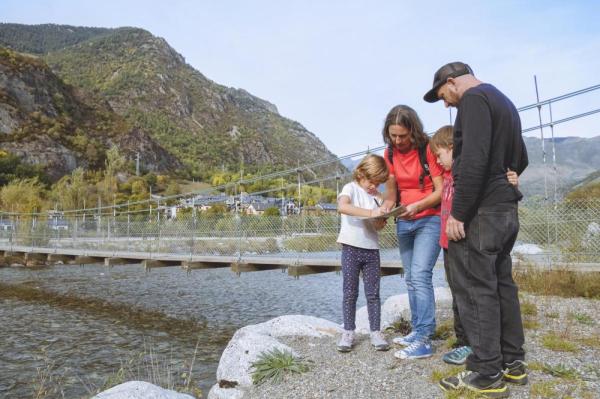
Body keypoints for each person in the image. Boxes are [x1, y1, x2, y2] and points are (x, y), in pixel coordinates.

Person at [424, 62, 529, 398]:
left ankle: (486, 373)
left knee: (475, 289)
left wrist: (458, 213)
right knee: (501, 284)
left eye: (444, 96)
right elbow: (521, 159)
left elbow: (473, 159)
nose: (447, 105)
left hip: (482, 211)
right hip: (506, 209)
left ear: (452, 82)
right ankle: (513, 364)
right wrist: (509, 175)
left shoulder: (473, 99)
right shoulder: (505, 102)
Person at [430, 125, 519, 367]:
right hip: (447, 244)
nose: (437, 161)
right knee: (458, 296)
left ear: (451, 148)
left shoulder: (466, 175)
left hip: (466, 243)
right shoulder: (447, 177)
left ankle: (477, 345)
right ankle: (465, 341)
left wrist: (511, 178)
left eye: (439, 155)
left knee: (473, 296)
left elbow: (487, 188)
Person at [380, 105, 444, 360]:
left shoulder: (427, 148)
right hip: (404, 221)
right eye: (393, 136)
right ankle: (418, 331)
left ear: (413, 131)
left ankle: (426, 338)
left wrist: (417, 205)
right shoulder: (390, 153)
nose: (397, 141)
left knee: (420, 275)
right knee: (410, 277)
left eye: (402, 136)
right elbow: (392, 192)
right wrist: (385, 208)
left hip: (430, 218)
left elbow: (440, 191)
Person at [336, 154, 390, 352]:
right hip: (350, 247)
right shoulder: (349, 188)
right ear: (361, 173)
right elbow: (342, 206)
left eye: (377, 183)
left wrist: (380, 220)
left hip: (371, 250)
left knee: (373, 293)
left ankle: (375, 331)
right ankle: (348, 331)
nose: (373, 186)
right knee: (350, 293)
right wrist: (370, 213)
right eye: (371, 181)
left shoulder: (377, 196)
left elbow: (377, 225)